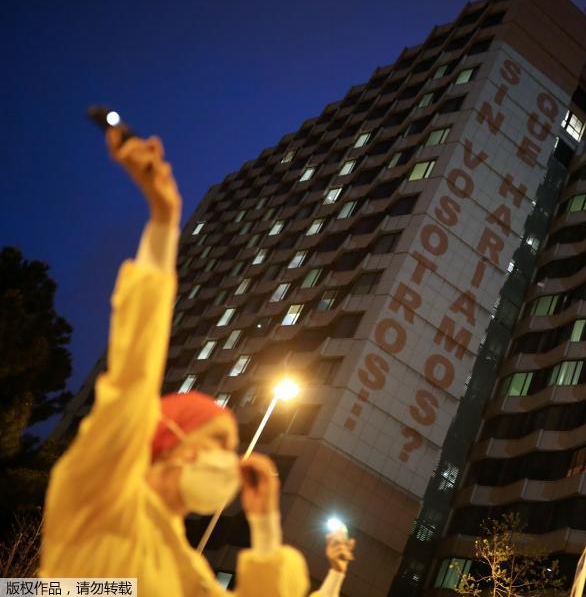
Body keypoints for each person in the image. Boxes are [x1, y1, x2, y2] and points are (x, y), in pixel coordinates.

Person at [40, 127, 354, 596]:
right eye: (218, 443)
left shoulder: (187, 568)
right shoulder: (104, 491)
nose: (229, 462)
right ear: (171, 439)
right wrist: (164, 220)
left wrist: (267, 526)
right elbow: (135, 364)